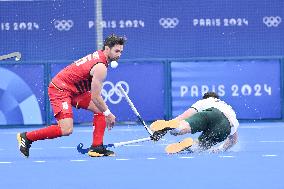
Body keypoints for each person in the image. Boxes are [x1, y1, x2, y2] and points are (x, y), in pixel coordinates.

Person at [17, 34, 126, 158]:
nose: (119, 55)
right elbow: (96, 97)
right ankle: (26, 137)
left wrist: (105, 111)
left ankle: (97, 147)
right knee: (66, 129)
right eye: (116, 51)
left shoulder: (100, 56)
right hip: (60, 89)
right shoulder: (100, 67)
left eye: (121, 51)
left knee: (100, 110)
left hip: (75, 90)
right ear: (107, 49)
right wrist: (109, 114)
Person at [150, 92, 239, 154]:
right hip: (227, 127)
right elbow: (233, 140)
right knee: (199, 146)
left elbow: (186, 115)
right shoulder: (227, 107)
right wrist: (220, 149)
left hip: (211, 113)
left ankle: (176, 129)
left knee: (181, 127)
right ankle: (191, 145)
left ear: (205, 97)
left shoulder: (203, 101)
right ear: (217, 98)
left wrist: (167, 127)